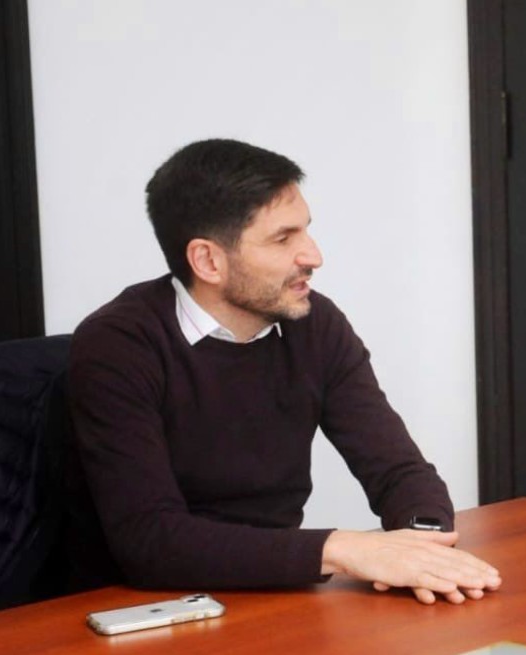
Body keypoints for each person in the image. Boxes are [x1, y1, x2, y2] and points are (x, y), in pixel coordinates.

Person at [67, 139, 500, 605]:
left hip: (275, 598)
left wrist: (422, 545)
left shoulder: (314, 323)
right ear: (208, 261)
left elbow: (398, 470)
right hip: (143, 609)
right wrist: (342, 550)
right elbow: (152, 541)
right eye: (283, 239)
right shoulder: (118, 346)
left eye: (306, 231)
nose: (313, 256)